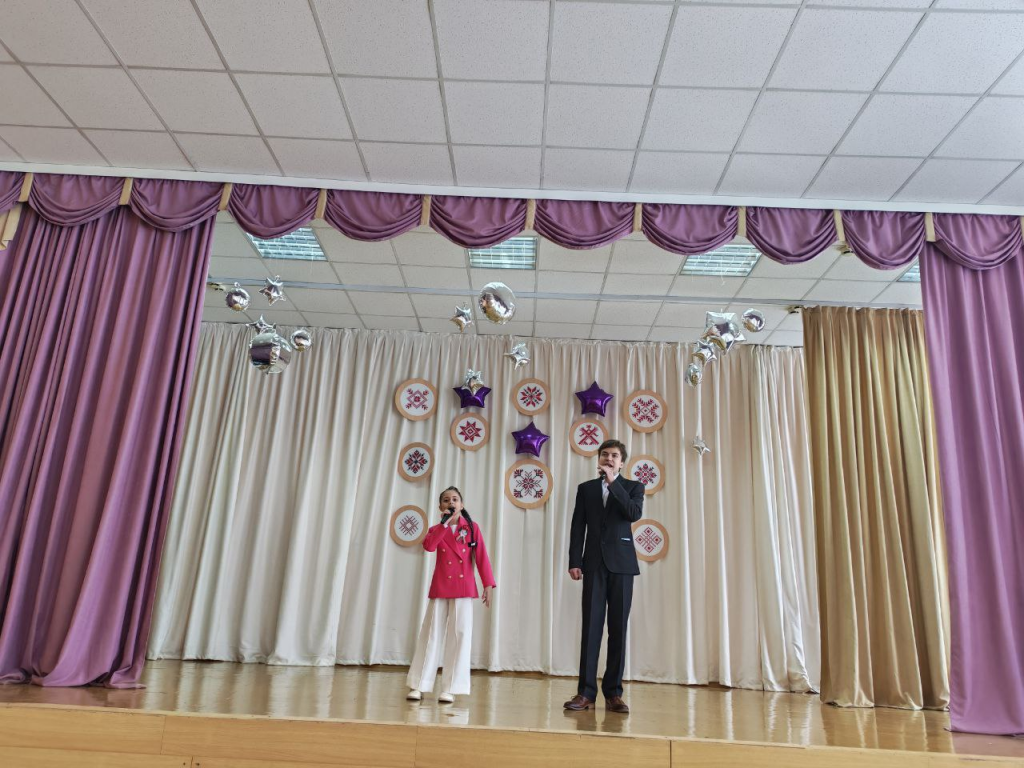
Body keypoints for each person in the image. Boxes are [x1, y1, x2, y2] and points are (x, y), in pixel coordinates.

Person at [564, 439, 644, 714]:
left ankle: (614, 694)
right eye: (605, 455)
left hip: (622, 565)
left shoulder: (633, 487)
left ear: (622, 462)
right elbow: (578, 526)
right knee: (591, 628)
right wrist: (575, 561)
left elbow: (633, 513)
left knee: (618, 629)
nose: (609, 459)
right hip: (593, 565)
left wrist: (613, 484)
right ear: (598, 459)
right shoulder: (585, 489)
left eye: (615, 456)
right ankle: (586, 693)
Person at [406, 486, 495, 703]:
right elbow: (429, 547)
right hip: (441, 585)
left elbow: (481, 556)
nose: (451, 502)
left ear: (461, 505)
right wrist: (444, 525)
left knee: (459, 635)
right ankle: (419, 684)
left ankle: (451, 688)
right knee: (431, 634)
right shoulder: (437, 529)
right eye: (446, 500)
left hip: (463, 588)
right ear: (441, 507)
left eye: (455, 499)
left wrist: (488, 584)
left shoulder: (472, 528)